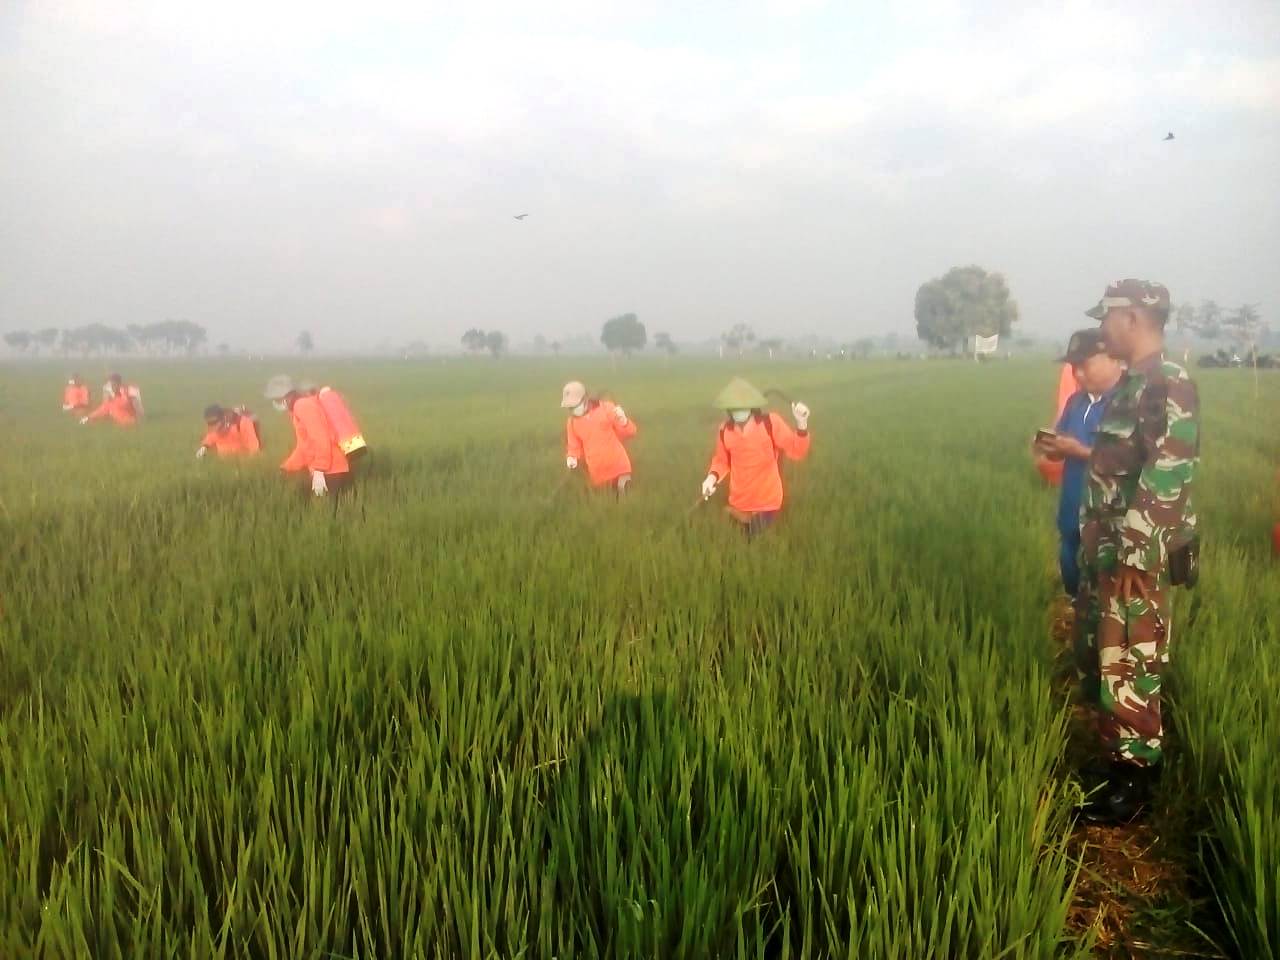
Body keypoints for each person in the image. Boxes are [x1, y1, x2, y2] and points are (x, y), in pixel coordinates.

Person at [1074, 280, 1200, 825]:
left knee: (1131, 662)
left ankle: (1135, 782)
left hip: (1134, 563)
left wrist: (1134, 554)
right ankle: (1118, 761)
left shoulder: (1166, 384)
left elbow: (1168, 471)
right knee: (1112, 660)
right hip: (1111, 555)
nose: (1102, 329)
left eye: (1107, 318)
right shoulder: (1133, 385)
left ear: (1131, 317)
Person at [1035, 330, 1123, 595]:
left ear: (1112, 358)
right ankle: (1075, 605)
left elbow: (1129, 459)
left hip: (1110, 514)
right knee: (1069, 560)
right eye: (1074, 367)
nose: (1078, 374)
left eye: (1084, 365)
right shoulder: (1076, 402)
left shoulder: (1129, 403)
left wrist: (1080, 450)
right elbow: (1060, 447)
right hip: (1073, 504)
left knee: (1108, 576)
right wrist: (1051, 448)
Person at [700, 378, 810, 537]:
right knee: (723, 537)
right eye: (733, 408)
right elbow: (721, 461)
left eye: (741, 407)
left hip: (767, 502)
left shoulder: (770, 424)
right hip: (738, 501)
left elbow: (797, 450)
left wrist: (802, 424)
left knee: (752, 540)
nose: (737, 411)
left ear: (752, 406)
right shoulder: (725, 430)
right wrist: (711, 478)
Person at [264, 374, 351, 497]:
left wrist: (320, 469)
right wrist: (286, 468)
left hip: (330, 469)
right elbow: (304, 446)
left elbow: (321, 438)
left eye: (277, 399)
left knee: (325, 511)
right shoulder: (297, 409)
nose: (276, 403)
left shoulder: (303, 406)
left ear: (286, 397)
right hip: (324, 468)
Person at [561, 381, 637, 495]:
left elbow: (630, 433)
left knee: (624, 499)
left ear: (585, 400)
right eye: (569, 408)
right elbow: (574, 446)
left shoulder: (606, 408)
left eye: (574, 407)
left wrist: (624, 421)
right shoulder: (572, 422)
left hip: (619, 466)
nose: (572, 411)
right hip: (598, 473)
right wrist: (572, 457)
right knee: (606, 503)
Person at [195, 404, 262, 458]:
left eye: (215, 422)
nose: (213, 427)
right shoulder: (213, 427)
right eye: (209, 423)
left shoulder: (242, 423)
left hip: (242, 459)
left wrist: (251, 462)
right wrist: (204, 447)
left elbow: (253, 446)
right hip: (224, 463)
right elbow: (210, 437)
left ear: (223, 418)